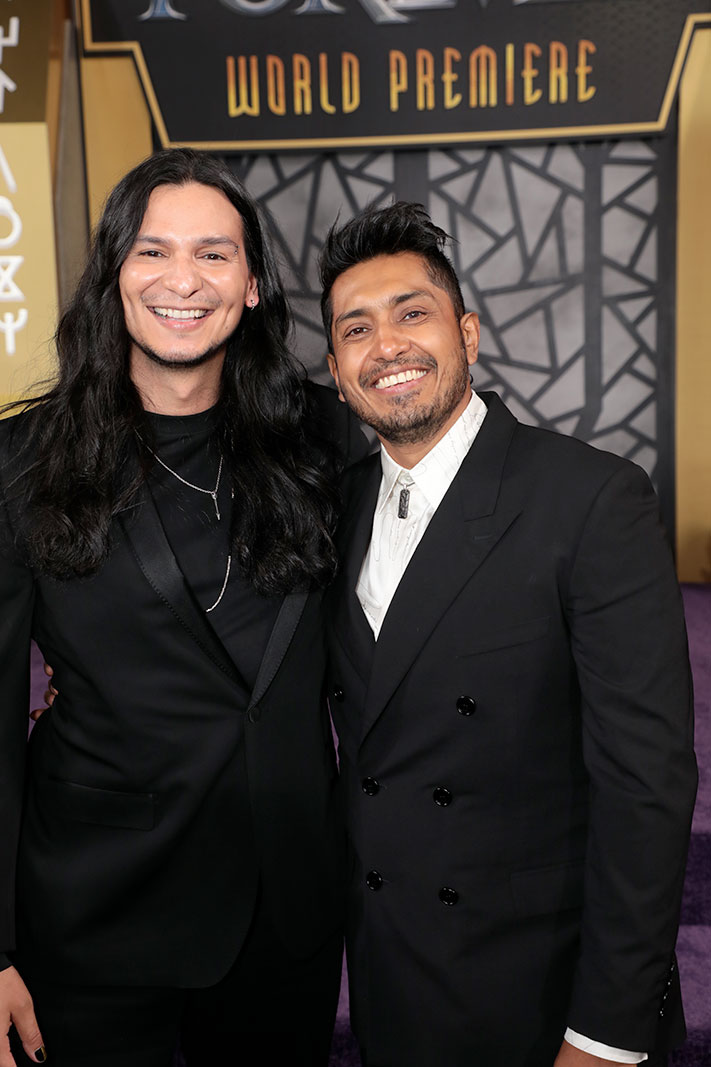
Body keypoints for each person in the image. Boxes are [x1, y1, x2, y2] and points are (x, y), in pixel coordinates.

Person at [0, 148, 365, 1067]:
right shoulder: (22, 463)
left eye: (213, 253)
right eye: (153, 251)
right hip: (95, 908)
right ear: (113, 275)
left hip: (284, 911)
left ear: (251, 283)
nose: (183, 280)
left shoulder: (326, 437)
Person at [318, 202, 698, 1067]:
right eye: (356, 329)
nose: (387, 345)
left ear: (467, 334)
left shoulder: (591, 499)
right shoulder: (332, 508)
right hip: (389, 975)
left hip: (536, 989)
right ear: (337, 373)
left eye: (412, 313)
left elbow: (646, 784)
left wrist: (605, 1032)